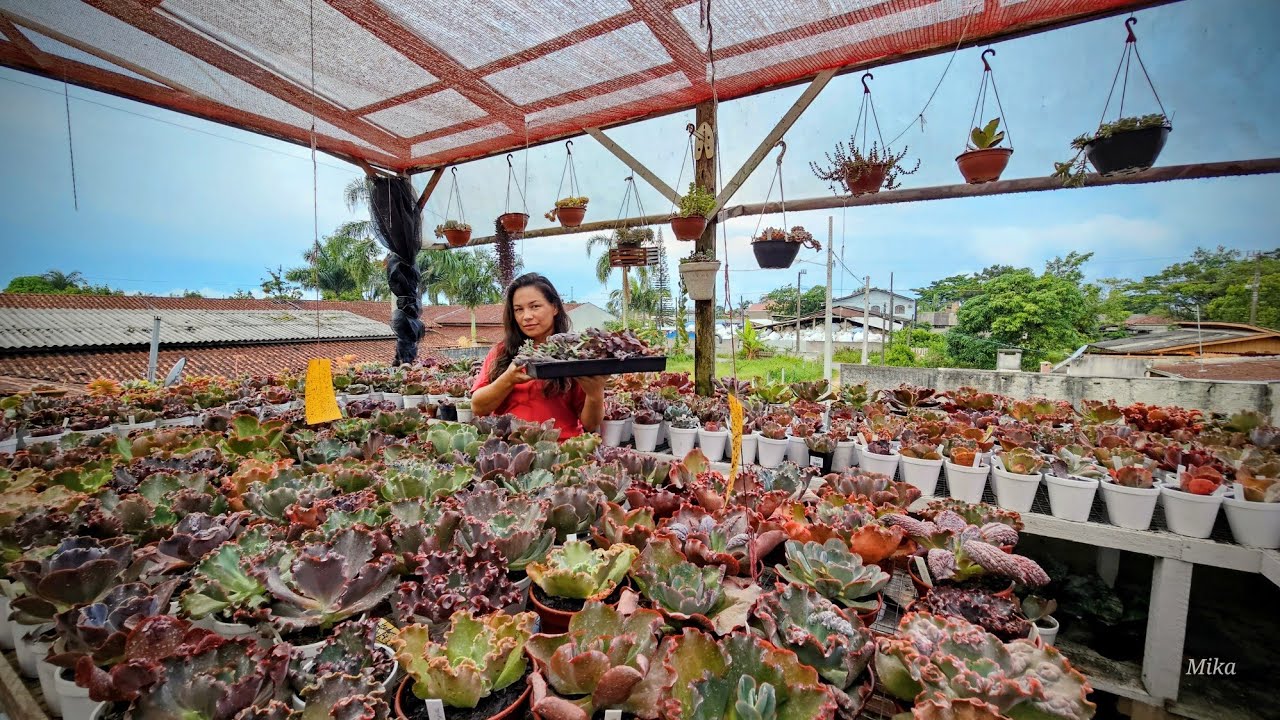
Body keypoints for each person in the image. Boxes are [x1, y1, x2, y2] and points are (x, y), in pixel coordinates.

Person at [471, 273, 605, 439]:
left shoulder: (574, 354)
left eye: (535, 306)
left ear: (554, 307)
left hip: (561, 453)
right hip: (512, 452)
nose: (526, 316)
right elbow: (478, 407)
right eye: (519, 309)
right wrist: (508, 379)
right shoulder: (501, 352)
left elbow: (590, 424)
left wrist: (595, 393)